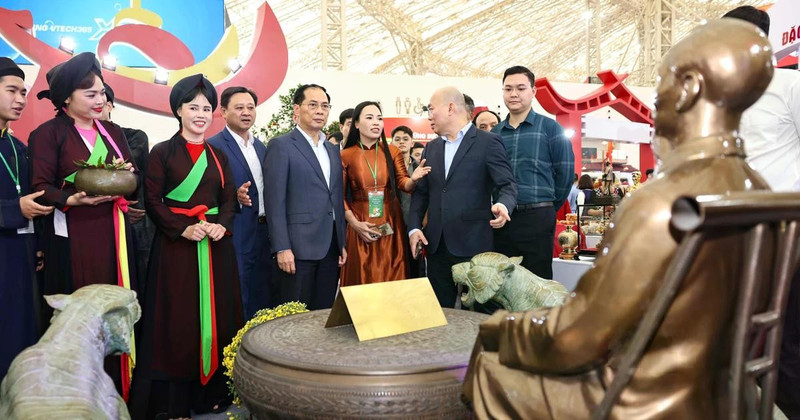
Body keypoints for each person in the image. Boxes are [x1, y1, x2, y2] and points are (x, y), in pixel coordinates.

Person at [464, 18, 774, 418]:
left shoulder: (663, 200)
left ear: (691, 89)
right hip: (727, 392)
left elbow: (583, 333)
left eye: (662, 80)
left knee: (489, 365)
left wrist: (503, 328)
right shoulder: (756, 187)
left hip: (649, 397)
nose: (655, 96)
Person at [130, 74, 243, 418]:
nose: (200, 114)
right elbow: (153, 201)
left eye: (207, 108)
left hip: (214, 246)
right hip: (177, 249)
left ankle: (211, 396)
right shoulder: (162, 152)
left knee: (220, 317)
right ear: (178, 110)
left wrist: (220, 226)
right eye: (193, 107)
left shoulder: (219, 155)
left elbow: (228, 200)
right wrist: (183, 229)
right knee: (177, 321)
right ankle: (173, 403)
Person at [28, 52, 138, 396]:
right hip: (73, 235)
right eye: (90, 94)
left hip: (114, 234)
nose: (100, 100)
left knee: (113, 310)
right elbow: (41, 187)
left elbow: (130, 174)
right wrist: (69, 198)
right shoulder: (48, 134)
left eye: (102, 93)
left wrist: (128, 175)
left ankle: (119, 391)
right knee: (80, 315)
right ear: (66, 99)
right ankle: (77, 394)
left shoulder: (114, 132)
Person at [724, 6, 800, 416]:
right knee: (733, 334)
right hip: (730, 234)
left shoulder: (789, 86)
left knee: (784, 340)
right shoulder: (721, 99)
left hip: (785, 234)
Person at [408, 87, 517, 308]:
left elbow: (507, 184)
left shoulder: (488, 142)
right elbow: (422, 194)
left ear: (450, 108)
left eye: (431, 109)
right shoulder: (432, 148)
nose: (429, 116)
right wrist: (414, 228)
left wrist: (503, 205)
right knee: (440, 311)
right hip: (436, 244)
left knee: (478, 312)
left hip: (474, 243)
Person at [264, 84, 347, 310]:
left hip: (330, 247)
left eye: (325, 106)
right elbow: (274, 202)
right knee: (294, 316)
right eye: (313, 105)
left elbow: (336, 197)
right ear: (296, 109)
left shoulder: (332, 150)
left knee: (323, 314)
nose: (320, 111)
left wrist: (341, 242)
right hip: (297, 249)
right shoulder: (281, 146)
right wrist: (282, 248)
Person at [492, 65, 574, 279]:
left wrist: (547, 206)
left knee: (537, 281)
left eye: (520, 88)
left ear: (533, 92)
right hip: (503, 219)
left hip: (538, 216)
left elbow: (564, 173)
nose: (514, 94)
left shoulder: (550, 128)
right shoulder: (495, 133)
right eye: (508, 89)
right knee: (504, 282)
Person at [0, 58, 53, 379]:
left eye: (23, 92)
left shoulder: (20, 148)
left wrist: (39, 244)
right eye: (11, 91)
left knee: (19, 330)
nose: (20, 99)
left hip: (21, 254)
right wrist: (13, 210)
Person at [340, 101, 430, 287]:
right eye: (370, 117)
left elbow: (403, 184)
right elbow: (338, 197)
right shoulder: (345, 155)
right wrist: (355, 224)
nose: (376, 122)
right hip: (360, 221)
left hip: (391, 221)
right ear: (356, 124)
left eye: (379, 118)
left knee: (392, 277)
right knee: (363, 279)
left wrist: (413, 179)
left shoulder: (392, 151)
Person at [207, 86, 276, 319]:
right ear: (223, 112)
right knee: (238, 293)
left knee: (263, 291)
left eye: (250, 107)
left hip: (264, 231)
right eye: (239, 108)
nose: (246, 112)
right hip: (236, 231)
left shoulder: (261, 146)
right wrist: (232, 195)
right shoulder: (214, 146)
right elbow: (206, 193)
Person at [101, 83, 152, 293]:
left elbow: (126, 176)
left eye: (100, 98)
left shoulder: (134, 137)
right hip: (97, 226)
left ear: (110, 106)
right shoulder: (71, 140)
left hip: (135, 226)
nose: (93, 103)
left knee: (136, 288)